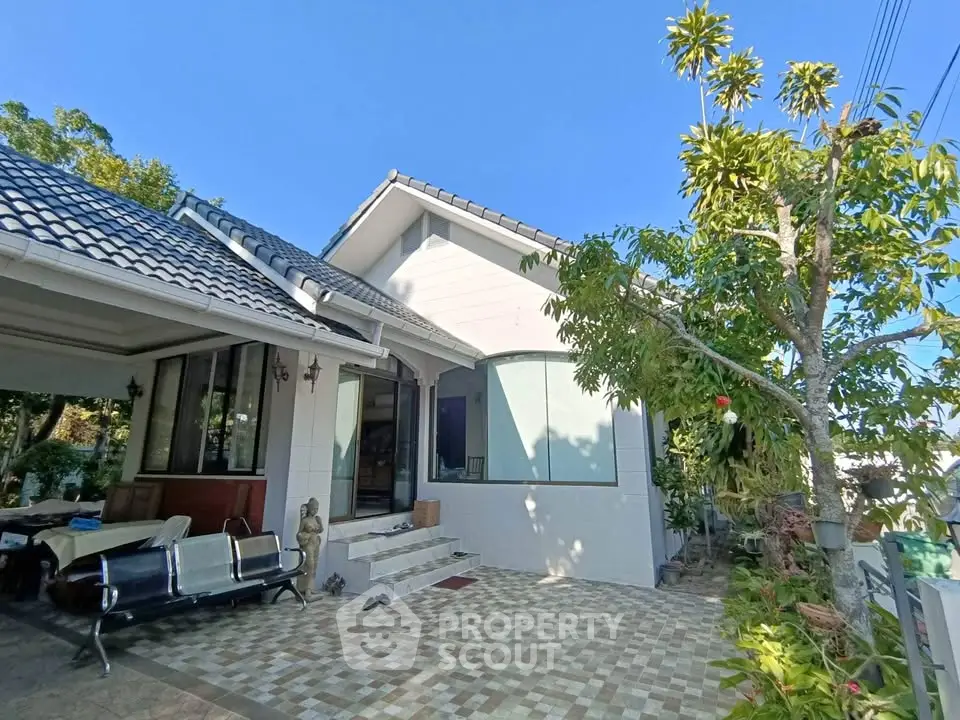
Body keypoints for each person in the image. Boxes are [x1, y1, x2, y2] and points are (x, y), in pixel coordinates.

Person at [296, 497, 323, 597]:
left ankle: (310, 587)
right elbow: (299, 534)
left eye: (317, 509)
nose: (315, 511)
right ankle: (304, 588)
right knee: (309, 565)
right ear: (309, 508)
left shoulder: (316, 519)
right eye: (314, 508)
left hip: (316, 543)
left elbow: (321, 530)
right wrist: (305, 536)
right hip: (308, 545)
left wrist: (320, 524)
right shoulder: (305, 520)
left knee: (314, 565)